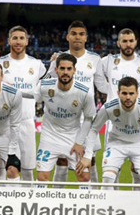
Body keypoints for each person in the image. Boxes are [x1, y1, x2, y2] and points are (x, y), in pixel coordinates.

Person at [79, 76, 140, 191]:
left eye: (131, 93)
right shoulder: (109, 107)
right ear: (118, 93)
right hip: (116, 144)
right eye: (124, 93)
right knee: (108, 178)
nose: (128, 97)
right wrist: (87, 156)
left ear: (137, 93)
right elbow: (94, 129)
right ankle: (108, 208)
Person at [47, 21, 107, 188]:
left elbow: (102, 86)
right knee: (62, 156)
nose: (77, 37)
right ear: (68, 37)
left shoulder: (95, 59)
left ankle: (92, 196)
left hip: (86, 116)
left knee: (90, 157)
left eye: (81, 34)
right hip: (62, 116)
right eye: (73, 33)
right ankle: (57, 197)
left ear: (86, 38)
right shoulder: (58, 59)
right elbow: (46, 84)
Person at [0, 26, 48, 183]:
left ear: (27, 41)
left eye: (22, 38)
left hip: (26, 123)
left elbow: (44, 89)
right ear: (9, 41)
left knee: (28, 171)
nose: (18, 41)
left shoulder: (37, 65)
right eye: (14, 38)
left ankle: (28, 205)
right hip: (3, 123)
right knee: (0, 172)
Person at [99, 28, 140, 187]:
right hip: (115, 118)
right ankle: (114, 199)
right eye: (124, 41)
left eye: (131, 40)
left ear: (136, 42)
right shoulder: (108, 61)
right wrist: (111, 94)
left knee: (138, 164)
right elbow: (98, 79)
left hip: (138, 116)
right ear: (118, 43)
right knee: (112, 168)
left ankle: (136, 196)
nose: (128, 44)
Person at [36, 53, 96, 188]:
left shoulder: (85, 92)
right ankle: (42, 206)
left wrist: (80, 142)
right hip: (49, 137)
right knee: (42, 177)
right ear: (56, 70)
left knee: (84, 177)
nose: (65, 72)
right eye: (62, 68)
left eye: (69, 69)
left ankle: (86, 208)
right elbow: (30, 95)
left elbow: (88, 119)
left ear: (74, 70)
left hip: (73, 137)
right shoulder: (45, 86)